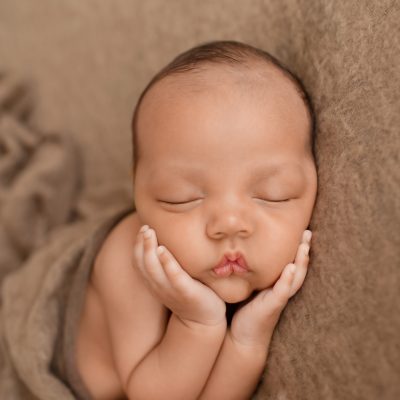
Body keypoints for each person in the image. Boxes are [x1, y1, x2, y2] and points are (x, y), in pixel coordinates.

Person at [76, 40, 317, 400]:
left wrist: (248, 338)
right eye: (182, 197)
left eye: (274, 193)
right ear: (138, 193)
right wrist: (197, 323)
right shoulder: (126, 263)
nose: (230, 224)